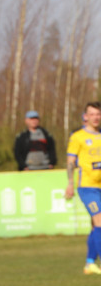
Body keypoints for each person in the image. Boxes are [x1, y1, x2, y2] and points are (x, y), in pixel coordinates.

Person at [63, 101, 101, 275]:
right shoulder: (77, 136)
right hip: (87, 188)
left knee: (96, 226)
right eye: (92, 114)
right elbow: (71, 162)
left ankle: (89, 262)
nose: (96, 117)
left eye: (98, 114)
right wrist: (70, 183)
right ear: (85, 117)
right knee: (100, 221)